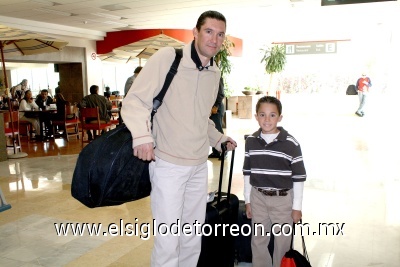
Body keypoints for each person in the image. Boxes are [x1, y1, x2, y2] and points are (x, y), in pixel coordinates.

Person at [121, 10, 237, 267]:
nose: (214, 40)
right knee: (168, 239)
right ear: (195, 33)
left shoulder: (214, 72)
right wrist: (141, 136)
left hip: (198, 165)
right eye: (209, 32)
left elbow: (201, 117)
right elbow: (135, 100)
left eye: (220, 35)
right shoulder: (168, 58)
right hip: (168, 164)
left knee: (192, 236)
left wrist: (217, 138)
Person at [243, 96, 306, 267]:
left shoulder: (291, 143)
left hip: (283, 201)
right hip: (258, 198)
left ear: (280, 117)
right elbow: (247, 173)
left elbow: (299, 177)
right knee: (258, 241)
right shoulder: (251, 141)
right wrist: (248, 201)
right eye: (262, 115)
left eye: (272, 115)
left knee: (283, 243)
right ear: (256, 117)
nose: (267, 119)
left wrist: (296, 207)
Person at [208, 77, 226, 160]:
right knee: (212, 128)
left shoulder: (217, 75)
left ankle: (224, 151)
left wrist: (216, 106)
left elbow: (221, 93)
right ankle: (215, 153)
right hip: (210, 107)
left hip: (216, 108)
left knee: (217, 129)